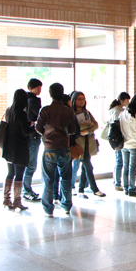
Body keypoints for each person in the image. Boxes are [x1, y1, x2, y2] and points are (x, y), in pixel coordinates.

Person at [35, 83, 76, 217]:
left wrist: (46, 134)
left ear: (51, 94)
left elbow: (38, 128)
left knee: (48, 179)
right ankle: (66, 206)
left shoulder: (45, 110)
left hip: (50, 147)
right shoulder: (68, 111)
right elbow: (73, 130)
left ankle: (48, 209)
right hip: (64, 147)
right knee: (66, 177)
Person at [2, 89, 35, 211]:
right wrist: (34, 126)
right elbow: (26, 132)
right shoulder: (21, 113)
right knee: (19, 175)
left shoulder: (9, 111)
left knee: (10, 173)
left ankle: (6, 199)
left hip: (9, 147)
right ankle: (17, 201)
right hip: (19, 147)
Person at [71, 91, 105, 198]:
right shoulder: (71, 113)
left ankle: (81, 189)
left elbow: (95, 125)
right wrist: (88, 126)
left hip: (88, 143)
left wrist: (88, 129)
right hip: (78, 144)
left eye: (83, 98)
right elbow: (76, 128)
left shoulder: (86, 113)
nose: (82, 101)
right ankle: (94, 189)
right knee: (88, 166)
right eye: (79, 99)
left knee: (85, 167)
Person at [119, 95, 136, 197]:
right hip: (135, 144)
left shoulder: (123, 113)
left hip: (125, 144)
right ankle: (132, 188)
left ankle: (126, 187)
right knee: (133, 168)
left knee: (125, 166)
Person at [22, 78, 43, 202]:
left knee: (29, 164)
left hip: (29, 136)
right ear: (31, 88)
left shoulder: (25, 100)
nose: (40, 89)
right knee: (31, 165)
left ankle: (26, 190)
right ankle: (26, 190)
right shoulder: (32, 101)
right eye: (38, 87)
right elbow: (39, 117)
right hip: (33, 135)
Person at [108, 92, 130, 191]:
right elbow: (118, 125)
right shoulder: (117, 111)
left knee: (119, 160)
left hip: (117, 138)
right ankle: (117, 182)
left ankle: (117, 181)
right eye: (127, 100)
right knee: (119, 161)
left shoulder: (117, 110)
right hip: (118, 138)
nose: (128, 102)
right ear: (122, 100)